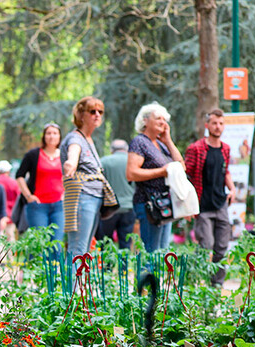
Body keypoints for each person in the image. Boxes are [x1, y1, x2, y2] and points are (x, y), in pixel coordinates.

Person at [184, 109, 235, 286]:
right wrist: (187, 204)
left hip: (221, 203)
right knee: (206, 246)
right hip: (202, 205)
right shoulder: (196, 149)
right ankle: (197, 282)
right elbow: (186, 175)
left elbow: (225, 171)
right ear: (207, 125)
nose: (218, 127)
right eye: (214, 123)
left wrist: (232, 188)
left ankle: (216, 286)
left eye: (221, 123)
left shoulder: (225, 149)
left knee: (222, 247)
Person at [126, 102, 183, 251]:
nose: (162, 122)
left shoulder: (161, 144)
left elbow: (181, 166)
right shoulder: (139, 142)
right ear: (145, 120)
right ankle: (146, 275)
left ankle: (155, 275)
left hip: (165, 203)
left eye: (164, 120)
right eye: (158, 118)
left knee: (162, 251)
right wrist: (161, 172)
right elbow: (131, 173)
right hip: (149, 204)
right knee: (151, 252)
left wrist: (168, 140)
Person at [61, 96, 109, 258]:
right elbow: (73, 155)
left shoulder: (88, 139)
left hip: (94, 198)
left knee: (86, 249)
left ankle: (79, 283)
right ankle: (73, 284)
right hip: (82, 197)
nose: (97, 115)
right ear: (81, 115)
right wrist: (70, 163)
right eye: (92, 111)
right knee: (78, 249)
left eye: (100, 111)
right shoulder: (76, 138)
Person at [17, 123, 65, 242]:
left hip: (59, 205)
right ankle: (36, 262)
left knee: (56, 244)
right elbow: (20, 176)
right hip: (38, 206)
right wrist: (28, 196)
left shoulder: (65, 155)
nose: (51, 136)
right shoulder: (33, 155)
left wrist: (66, 194)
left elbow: (71, 177)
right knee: (40, 244)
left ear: (59, 137)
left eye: (55, 133)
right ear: (44, 136)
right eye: (48, 133)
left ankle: (56, 262)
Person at [96, 139, 136, 249]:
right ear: (126, 149)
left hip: (108, 209)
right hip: (128, 207)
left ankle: (107, 266)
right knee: (126, 243)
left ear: (112, 150)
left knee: (106, 242)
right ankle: (124, 265)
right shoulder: (133, 163)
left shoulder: (103, 162)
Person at [0, 160, 20, 241]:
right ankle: (11, 254)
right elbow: (18, 197)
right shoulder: (13, 182)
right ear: (8, 170)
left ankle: (0, 254)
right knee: (10, 238)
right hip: (11, 214)